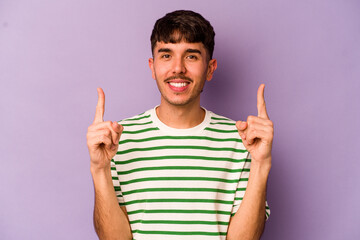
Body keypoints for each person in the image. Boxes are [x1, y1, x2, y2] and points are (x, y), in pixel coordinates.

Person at [86, 10, 273, 240]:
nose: (178, 68)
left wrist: (261, 163)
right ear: (152, 66)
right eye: (166, 55)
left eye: (191, 56)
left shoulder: (242, 140)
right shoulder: (117, 139)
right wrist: (99, 169)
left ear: (210, 68)